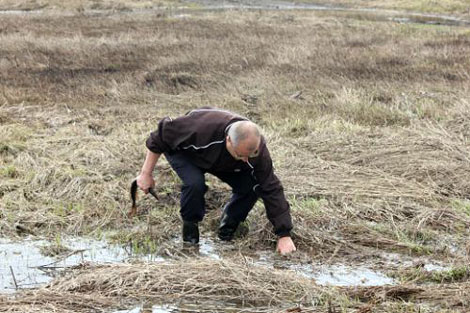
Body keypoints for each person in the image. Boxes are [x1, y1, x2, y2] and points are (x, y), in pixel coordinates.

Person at [136, 107, 296, 255]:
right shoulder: (199, 128)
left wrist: (284, 234)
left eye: (251, 155)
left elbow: (271, 187)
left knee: (252, 186)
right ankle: (190, 240)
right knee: (195, 184)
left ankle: (226, 230)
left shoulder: (257, 152)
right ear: (228, 140)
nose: (246, 160)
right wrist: (146, 174)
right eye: (241, 155)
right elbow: (160, 137)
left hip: (221, 161)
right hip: (187, 154)